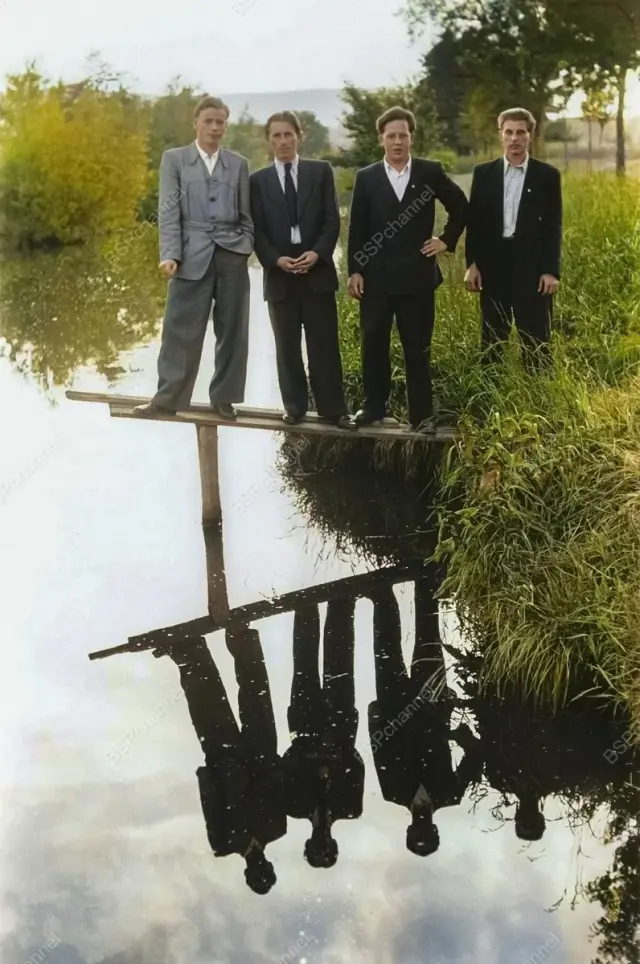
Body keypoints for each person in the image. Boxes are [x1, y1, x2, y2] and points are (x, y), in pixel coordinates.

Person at [347, 106, 468, 433]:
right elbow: (357, 229)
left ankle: (422, 417)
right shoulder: (367, 177)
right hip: (376, 281)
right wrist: (355, 270)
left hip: (417, 279)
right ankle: (373, 407)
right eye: (391, 136)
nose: (398, 141)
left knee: (418, 349)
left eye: (403, 135)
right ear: (381, 140)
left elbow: (461, 207)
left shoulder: (429, 172)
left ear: (411, 137)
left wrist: (445, 240)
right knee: (373, 346)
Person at [134, 96, 253, 420]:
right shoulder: (175, 160)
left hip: (232, 255)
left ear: (226, 126)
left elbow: (246, 216)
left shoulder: (238, 164)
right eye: (208, 121)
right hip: (190, 254)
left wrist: (245, 247)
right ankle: (167, 399)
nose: (214, 127)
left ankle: (224, 398)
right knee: (179, 329)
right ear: (196, 123)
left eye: (220, 122)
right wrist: (170, 254)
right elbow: (168, 211)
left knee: (233, 330)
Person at [155, 629, 285, 894]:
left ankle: (189, 652)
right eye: (265, 870)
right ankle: (242, 637)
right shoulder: (276, 828)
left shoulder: (224, 843)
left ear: (246, 872)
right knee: (255, 694)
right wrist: (268, 765)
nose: (259, 866)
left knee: (207, 705)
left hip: (224, 762)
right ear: (270, 865)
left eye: (255, 873)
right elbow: (279, 784)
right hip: (261, 751)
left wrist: (211, 772)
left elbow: (211, 805)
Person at [250, 111, 354, 429]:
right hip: (280, 275)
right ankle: (294, 407)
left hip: (316, 272)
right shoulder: (257, 181)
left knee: (324, 344)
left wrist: (318, 253)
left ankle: (333, 409)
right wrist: (275, 259)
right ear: (268, 140)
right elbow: (256, 231)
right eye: (276, 136)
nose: (283, 141)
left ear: (299, 136)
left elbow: (331, 220)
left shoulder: (320, 171)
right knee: (287, 347)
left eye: (288, 134)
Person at [367, 578, 481, 856]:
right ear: (435, 830)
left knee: (385, 645)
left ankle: (381, 594)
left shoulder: (393, 792)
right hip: (431, 701)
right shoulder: (450, 794)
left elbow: (380, 751)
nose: (422, 829)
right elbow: (476, 755)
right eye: (427, 834)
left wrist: (375, 717)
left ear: (408, 831)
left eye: (417, 834)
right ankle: (425, 578)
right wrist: (457, 733)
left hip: (394, 706)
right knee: (428, 634)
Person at [464, 107, 562, 370]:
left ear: (531, 135)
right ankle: (492, 391)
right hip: (493, 266)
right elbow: (475, 224)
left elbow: (553, 227)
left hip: (532, 267)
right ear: (500, 135)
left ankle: (538, 391)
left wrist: (550, 271)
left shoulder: (547, 176)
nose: (514, 138)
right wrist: (472, 264)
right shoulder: (483, 174)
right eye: (509, 132)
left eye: (521, 132)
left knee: (536, 340)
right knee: (492, 340)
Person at [282, 598, 365, 867]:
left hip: (304, 723)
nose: (322, 842)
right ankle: (342, 603)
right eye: (327, 848)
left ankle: (304, 606)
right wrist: (337, 753)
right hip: (340, 724)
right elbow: (358, 766)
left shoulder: (294, 806)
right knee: (340, 661)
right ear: (334, 844)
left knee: (304, 663)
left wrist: (310, 753)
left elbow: (286, 762)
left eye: (317, 848)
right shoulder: (350, 808)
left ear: (308, 844)